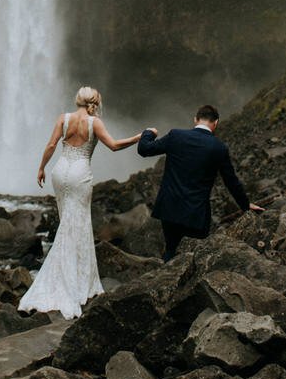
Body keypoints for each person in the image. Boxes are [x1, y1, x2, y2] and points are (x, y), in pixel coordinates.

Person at [17, 86, 143, 318]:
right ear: (95, 102)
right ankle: (75, 282)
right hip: (79, 172)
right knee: (77, 224)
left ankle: (61, 276)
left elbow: (52, 145)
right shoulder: (94, 123)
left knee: (67, 223)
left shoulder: (64, 119)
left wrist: (41, 167)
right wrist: (138, 137)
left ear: (77, 100)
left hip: (61, 169)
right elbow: (114, 146)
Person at [138, 104, 264, 261]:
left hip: (170, 207)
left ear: (195, 119)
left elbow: (144, 149)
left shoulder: (176, 136)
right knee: (194, 257)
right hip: (196, 213)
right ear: (216, 122)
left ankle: (165, 279)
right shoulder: (219, 148)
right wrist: (245, 205)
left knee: (171, 250)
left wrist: (149, 133)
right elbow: (231, 182)